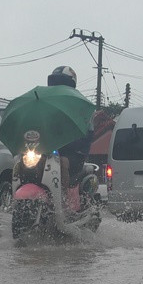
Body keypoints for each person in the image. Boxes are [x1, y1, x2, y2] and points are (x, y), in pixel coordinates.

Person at [46, 66, 94, 211]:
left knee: (62, 161)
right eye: (55, 82)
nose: (57, 86)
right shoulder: (47, 105)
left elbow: (87, 136)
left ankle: (63, 200)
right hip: (50, 151)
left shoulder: (80, 105)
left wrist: (67, 144)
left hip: (74, 154)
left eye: (61, 82)